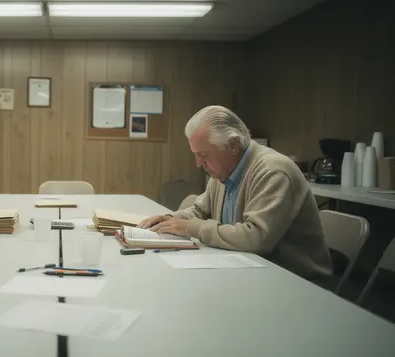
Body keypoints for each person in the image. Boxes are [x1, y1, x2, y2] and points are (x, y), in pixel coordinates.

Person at [138, 105, 332, 280]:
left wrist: (190, 228)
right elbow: (199, 211)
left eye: (203, 155)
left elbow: (255, 238)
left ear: (233, 145)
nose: (198, 163)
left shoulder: (274, 172)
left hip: (294, 282)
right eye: (196, 155)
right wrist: (168, 220)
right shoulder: (223, 171)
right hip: (250, 272)